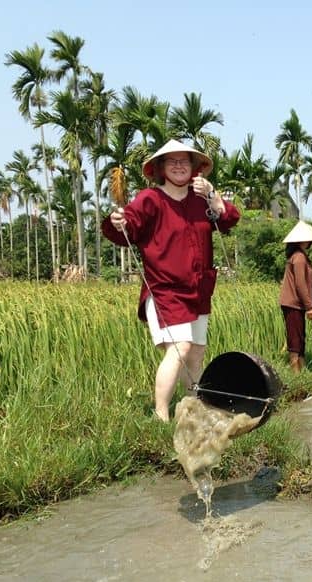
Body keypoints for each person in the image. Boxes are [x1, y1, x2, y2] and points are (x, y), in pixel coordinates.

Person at [102, 139, 240, 421]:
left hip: (199, 288)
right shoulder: (150, 199)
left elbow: (228, 218)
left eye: (184, 161)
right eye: (172, 161)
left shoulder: (200, 199)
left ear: (194, 168)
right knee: (180, 348)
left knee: (196, 353)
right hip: (165, 289)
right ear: (161, 168)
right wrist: (119, 221)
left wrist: (213, 194)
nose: (178, 166)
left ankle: (193, 410)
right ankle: (161, 414)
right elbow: (126, 226)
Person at [279, 221, 312, 373]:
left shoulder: (299, 256)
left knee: (300, 338)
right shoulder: (299, 258)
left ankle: (302, 371)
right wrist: (310, 307)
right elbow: (301, 285)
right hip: (293, 303)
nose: (308, 241)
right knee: (295, 340)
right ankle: (295, 374)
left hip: (295, 304)